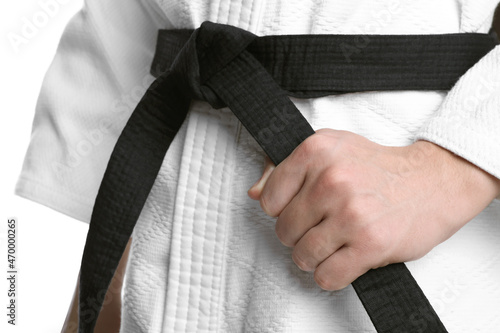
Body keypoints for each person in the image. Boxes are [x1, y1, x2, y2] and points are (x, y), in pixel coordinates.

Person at [16, 0, 500, 332]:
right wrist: (95, 301)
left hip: (417, 254)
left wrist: (447, 170)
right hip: (156, 274)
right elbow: (128, 25)